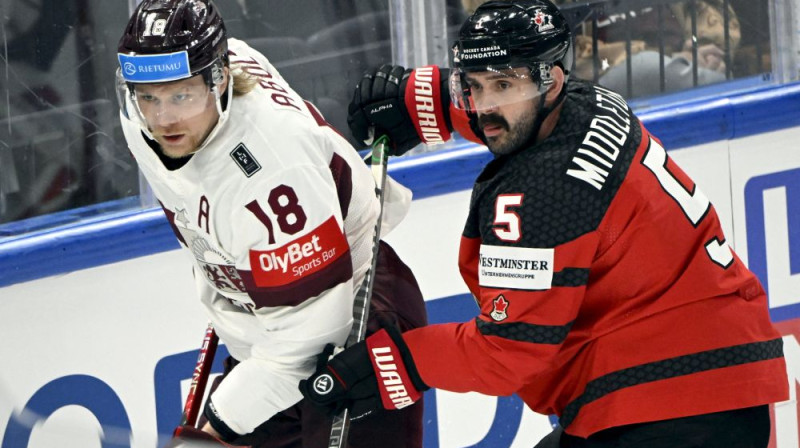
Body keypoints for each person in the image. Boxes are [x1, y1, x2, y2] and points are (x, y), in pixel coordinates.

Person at [299, 1, 789, 447]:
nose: (484, 104)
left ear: (550, 81)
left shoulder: (543, 196)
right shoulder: (589, 102)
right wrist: (417, 97)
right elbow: (506, 112)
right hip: (702, 375)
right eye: (472, 86)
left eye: (503, 84)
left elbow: (506, 353)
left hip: (680, 411)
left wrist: (393, 363)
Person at [115, 0, 427, 446]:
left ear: (219, 81)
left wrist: (215, 431)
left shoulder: (270, 173)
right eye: (148, 97)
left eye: (181, 95)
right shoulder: (155, 110)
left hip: (354, 318)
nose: (163, 119)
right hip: (273, 318)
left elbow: (309, 337)